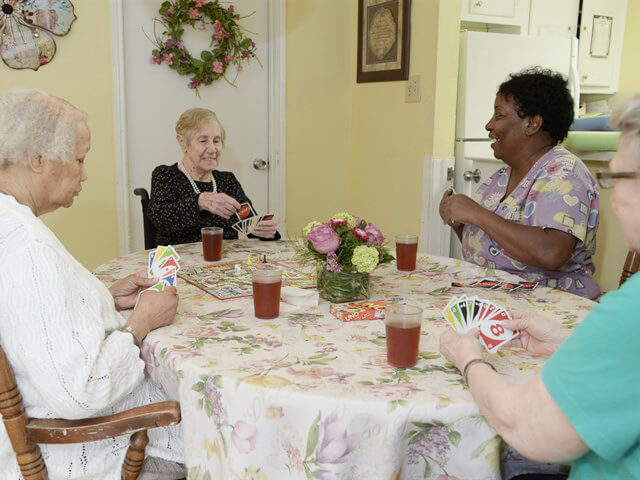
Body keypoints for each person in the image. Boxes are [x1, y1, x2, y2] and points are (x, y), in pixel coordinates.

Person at [439, 96, 640, 479]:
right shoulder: (498, 177)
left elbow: (526, 427)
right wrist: (568, 340)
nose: (613, 202)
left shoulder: (633, 310)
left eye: (619, 178)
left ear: (533, 123)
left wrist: (469, 359)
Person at [0, 89, 184, 480]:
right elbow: (80, 392)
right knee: (226, 425)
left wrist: (104, 298)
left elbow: (39, 320)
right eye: (80, 159)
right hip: (87, 448)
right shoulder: (28, 248)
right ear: (37, 160)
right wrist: (140, 324)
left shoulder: (10, 223)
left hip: (41, 425)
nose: (84, 174)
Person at [440, 68, 600, 299]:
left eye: (499, 115)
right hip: (500, 298)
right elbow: (493, 247)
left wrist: (476, 214)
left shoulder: (566, 175)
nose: (488, 125)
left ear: (532, 124)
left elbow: (551, 253)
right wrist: (459, 222)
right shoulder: (500, 177)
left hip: (551, 306)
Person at [148, 108, 280, 245]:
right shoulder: (165, 175)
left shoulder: (227, 180)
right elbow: (161, 220)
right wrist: (199, 201)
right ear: (183, 143)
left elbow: (249, 223)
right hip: (179, 261)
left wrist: (265, 231)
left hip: (225, 260)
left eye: (216, 141)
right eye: (203, 141)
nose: (212, 149)